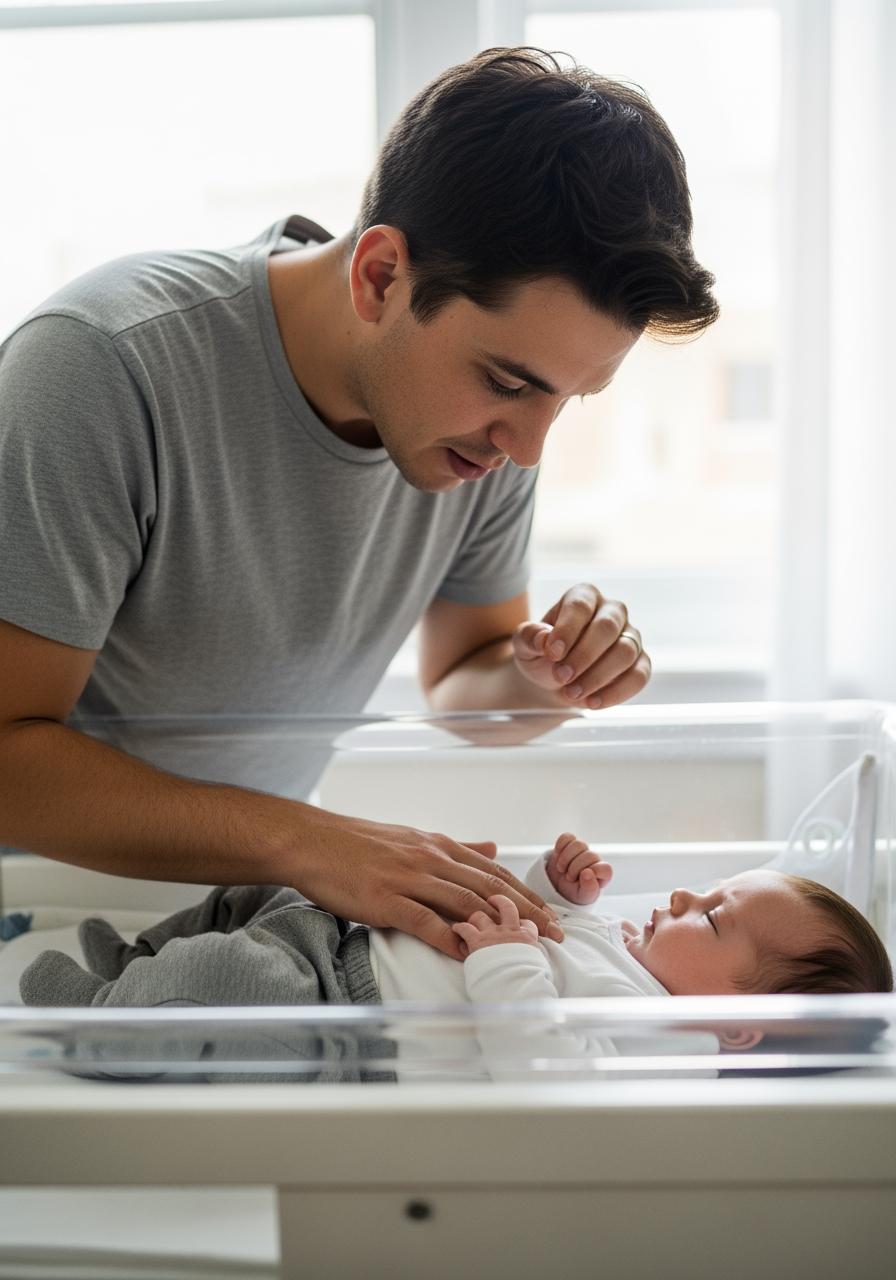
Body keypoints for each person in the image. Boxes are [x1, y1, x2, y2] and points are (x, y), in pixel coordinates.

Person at [0, 48, 719, 960]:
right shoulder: (99, 370)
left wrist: (545, 677)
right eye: (508, 381)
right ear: (381, 276)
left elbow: (464, 673)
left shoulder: (486, 437)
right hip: (31, 914)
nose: (529, 450)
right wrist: (311, 843)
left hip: (216, 921)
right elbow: (6, 754)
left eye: (569, 401)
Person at [20, 835, 892, 1011]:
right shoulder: (632, 955)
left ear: (741, 1026)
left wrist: (511, 957)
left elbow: (539, 1069)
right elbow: (538, 931)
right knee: (251, 886)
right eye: (704, 892)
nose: (676, 903)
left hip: (338, 1004)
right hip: (347, 928)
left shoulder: (659, 1042)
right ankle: (134, 952)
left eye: (708, 922)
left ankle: (100, 1008)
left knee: (229, 979)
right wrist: (549, 889)